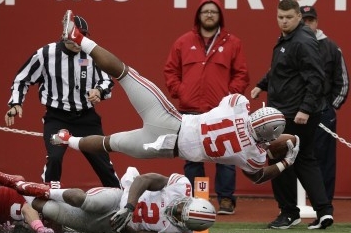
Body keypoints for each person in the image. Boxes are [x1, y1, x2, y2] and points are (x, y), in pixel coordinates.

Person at [51, 9, 300, 186]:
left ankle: (79, 39)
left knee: (124, 72)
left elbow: (234, 104)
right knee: (109, 144)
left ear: (257, 113)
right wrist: (286, 162)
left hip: (171, 120)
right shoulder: (252, 155)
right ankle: (67, 140)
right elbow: (259, 176)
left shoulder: (238, 105)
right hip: (166, 148)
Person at [4, 14, 120, 189]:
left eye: (81, 37)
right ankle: (49, 199)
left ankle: (118, 202)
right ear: (64, 35)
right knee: (55, 158)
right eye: (73, 37)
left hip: (87, 119)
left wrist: (99, 91)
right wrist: (15, 103)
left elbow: (107, 80)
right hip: (57, 118)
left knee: (103, 163)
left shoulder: (92, 54)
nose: (76, 42)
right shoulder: (46, 53)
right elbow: (22, 78)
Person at [250, 0, 334, 230]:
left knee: (279, 159)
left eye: (288, 17)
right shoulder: (288, 38)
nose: (284, 21)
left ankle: (288, 213)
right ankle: (324, 212)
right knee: (306, 160)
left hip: (294, 113)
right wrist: (261, 85)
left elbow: (316, 78)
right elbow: (281, 69)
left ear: (298, 16)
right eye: (280, 17)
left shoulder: (303, 41)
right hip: (289, 110)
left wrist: (304, 109)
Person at [164, 0, 250, 215]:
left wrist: (229, 97)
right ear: (198, 16)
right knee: (193, 158)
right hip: (190, 110)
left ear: (220, 16)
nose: (209, 15)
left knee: (225, 156)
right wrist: (180, 91)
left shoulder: (233, 43)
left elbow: (241, 74)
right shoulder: (183, 42)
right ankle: (198, 199)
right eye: (205, 12)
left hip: (221, 111)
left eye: (213, 12)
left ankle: (226, 199)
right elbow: (170, 71)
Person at [0, 168, 216, 233]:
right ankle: (26, 186)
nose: (176, 211)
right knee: (82, 200)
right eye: (182, 208)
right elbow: (144, 180)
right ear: (190, 200)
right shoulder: (181, 186)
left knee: (53, 212)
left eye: (179, 217)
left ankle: (19, 187)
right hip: (120, 200)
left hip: (113, 226)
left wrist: (125, 226)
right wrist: (128, 207)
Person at [300, 5, 349, 202]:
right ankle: (292, 205)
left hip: (323, 114)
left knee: (324, 161)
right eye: (303, 20)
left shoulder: (331, 47)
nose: (307, 24)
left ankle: (324, 204)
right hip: (296, 112)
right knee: (294, 158)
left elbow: (343, 82)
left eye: (310, 20)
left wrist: (330, 108)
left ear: (317, 22)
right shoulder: (291, 45)